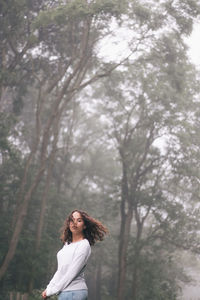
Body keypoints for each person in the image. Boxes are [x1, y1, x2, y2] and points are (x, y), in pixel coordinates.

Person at [42, 210, 108, 300]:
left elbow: (71, 273)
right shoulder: (67, 244)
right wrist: (49, 288)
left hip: (75, 292)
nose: (74, 223)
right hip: (64, 292)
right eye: (72, 220)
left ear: (84, 226)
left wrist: (52, 291)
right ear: (69, 223)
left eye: (79, 220)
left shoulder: (84, 245)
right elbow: (61, 271)